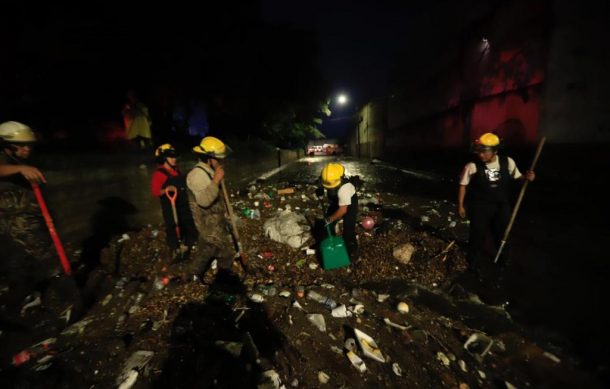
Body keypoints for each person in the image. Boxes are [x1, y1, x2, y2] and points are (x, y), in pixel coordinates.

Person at [458, 132, 535, 285]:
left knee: (501, 234)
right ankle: (472, 263)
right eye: (478, 151)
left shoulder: (508, 162)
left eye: (483, 151)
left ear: (495, 151)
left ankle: (502, 262)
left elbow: (519, 178)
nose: (480, 154)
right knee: (477, 235)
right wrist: (460, 205)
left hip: (501, 206)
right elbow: (462, 186)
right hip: (480, 207)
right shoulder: (471, 166)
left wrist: (528, 178)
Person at [184, 136, 235, 278]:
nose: (221, 161)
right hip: (207, 222)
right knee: (209, 249)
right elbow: (204, 201)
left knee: (221, 250)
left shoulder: (208, 171)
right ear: (209, 158)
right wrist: (216, 180)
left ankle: (223, 273)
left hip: (216, 220)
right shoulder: (196, 175)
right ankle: (190, 275)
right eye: (218, 158)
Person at [150, 143, 197, 260]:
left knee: (188, 223)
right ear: (164, 159)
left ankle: (189, 244)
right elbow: (155, 192)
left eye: (175, 157)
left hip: (182, 204)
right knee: (172, 227)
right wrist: (166, 189)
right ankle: (175, 249)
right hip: (170, 206)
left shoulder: (177, 170)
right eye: (171, 157)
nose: (174, 159)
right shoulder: (159, 174)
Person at [320, 162, 360, 261]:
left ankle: (352, 250)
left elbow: (343, 210)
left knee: (348, 227)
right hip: (340, 196)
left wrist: (331, 219)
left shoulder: (344, 190)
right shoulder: (331, 174)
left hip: (351, 201)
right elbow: (323, 182)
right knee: (330, 213)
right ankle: (331, 237)